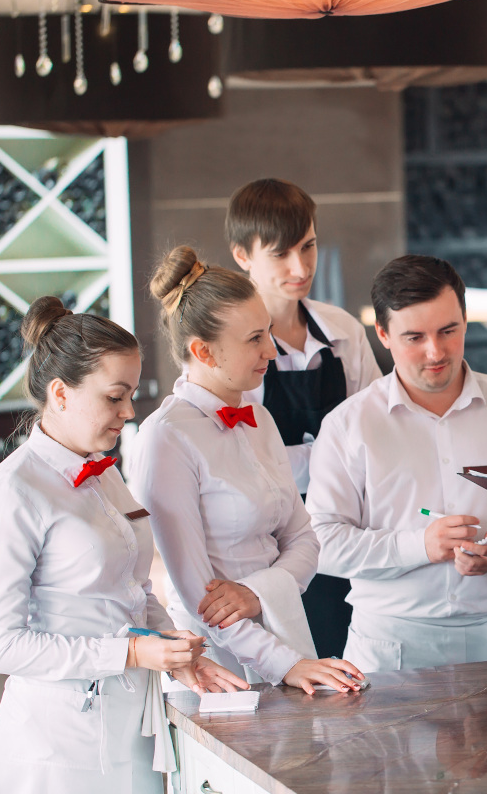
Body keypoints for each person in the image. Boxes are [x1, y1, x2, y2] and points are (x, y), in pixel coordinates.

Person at [0, 297, 246, 794]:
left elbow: (133, 591)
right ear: (60, 393)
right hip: (56, 746)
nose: (129, 412)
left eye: (132, 395)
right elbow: (4, 646)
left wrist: (175, 652)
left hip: (130, 728)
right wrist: (132, 652)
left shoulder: (107, 472)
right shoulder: (13, 490)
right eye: (114, 397)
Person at [306, 255, 487, 672]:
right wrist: (419, 546)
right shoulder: (349, 424)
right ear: (382, 333)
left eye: (448, 331)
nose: (435, 352)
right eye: (414, 337)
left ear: (466, 321)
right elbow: (321, 543)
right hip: (389, 648)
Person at [129, 247, 363, 695]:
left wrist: (257, 594)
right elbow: (203, 602)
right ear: (202, 350)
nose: (271, 351)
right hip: (216, 666)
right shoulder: (166, 438)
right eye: (255, 338)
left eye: (268, 333)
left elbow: (306, 539)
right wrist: (288, 664)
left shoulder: (262, 420)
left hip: (287, 634)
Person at [228, 178, 383, 659]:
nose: (301, 267)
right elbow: (242, 462)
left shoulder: (342, 331)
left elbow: (378, 428)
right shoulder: (229, 346)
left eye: (309, 246)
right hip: (269, 544)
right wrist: (336, 458)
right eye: (281, 255)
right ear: (242, 256)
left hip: (349, 531)